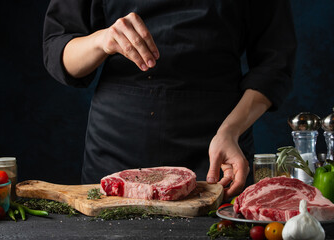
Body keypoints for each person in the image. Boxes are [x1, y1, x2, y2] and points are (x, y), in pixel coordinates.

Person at [43, 0, 296, 200]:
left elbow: (275, 62)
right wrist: (103, 40)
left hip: (216, 150)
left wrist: (231, 131)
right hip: (118, 148)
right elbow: (58, 50)